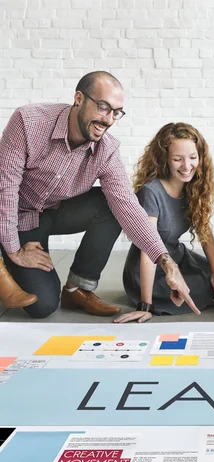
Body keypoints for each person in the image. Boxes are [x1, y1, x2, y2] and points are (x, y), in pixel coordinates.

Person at [0, 71, 199, 319]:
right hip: (14, 214)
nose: (108, 119)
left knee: (114, 204)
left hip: (53, 211)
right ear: (79, 98)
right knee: (43, 306)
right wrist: (13, 249)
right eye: (103, 107)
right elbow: (5, 190)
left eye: (116, 112)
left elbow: (128, 207)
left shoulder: (106, 150)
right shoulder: (28, 122)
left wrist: (168, 263)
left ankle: (78, 288)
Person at [115, 123, 214, 323]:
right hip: (150, 269)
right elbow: (147, 250)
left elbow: (204, 229)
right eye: (178, 159)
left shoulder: (193, 187)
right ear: (165, 159)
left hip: (179, 256)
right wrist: (146, 305)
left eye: (193, 158)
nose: (187, 166)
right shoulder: (151, 192)